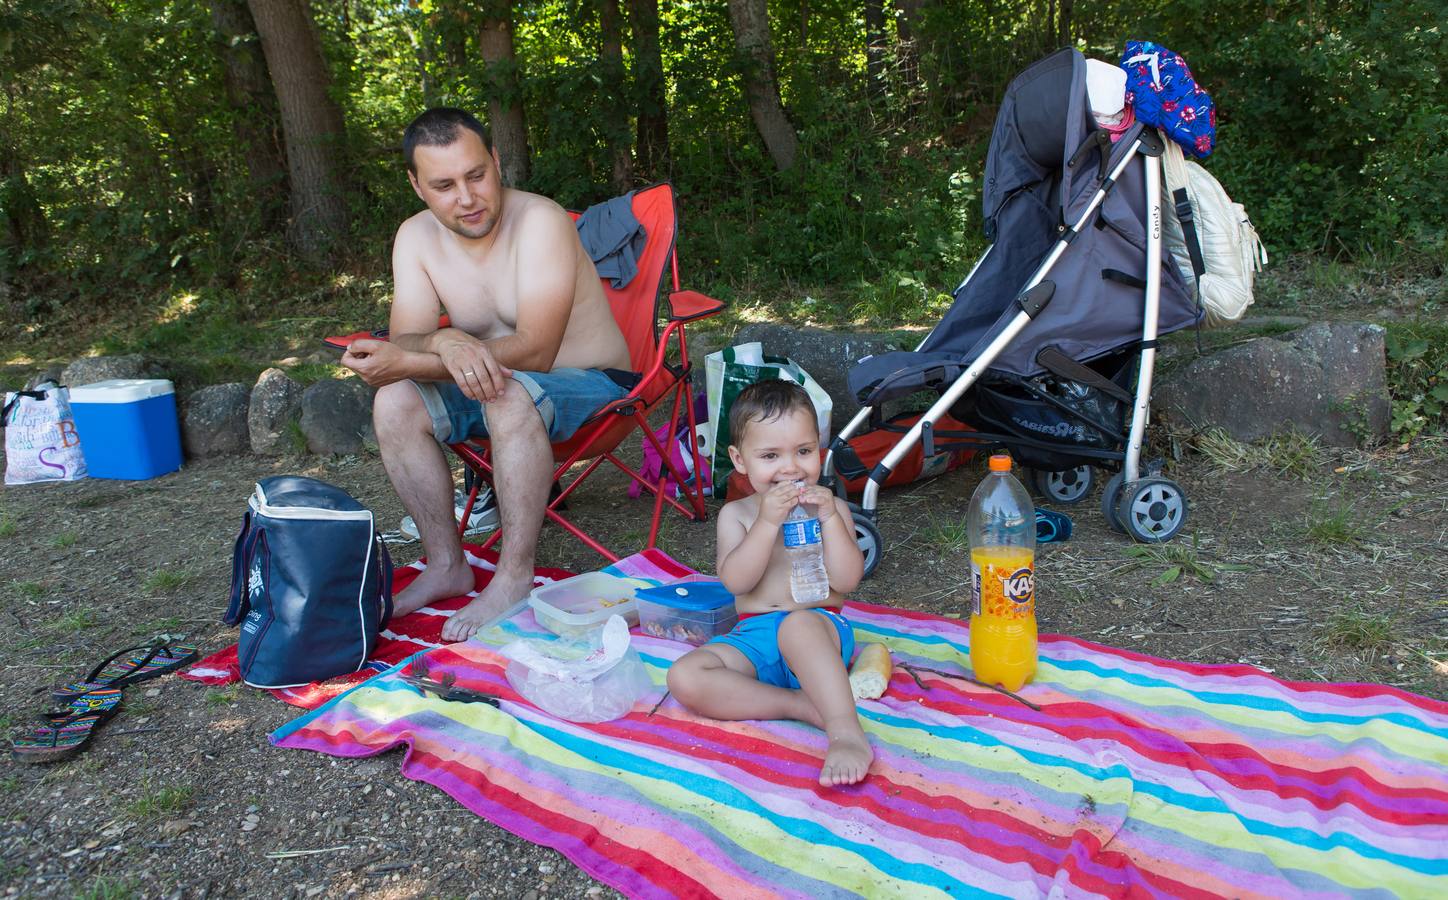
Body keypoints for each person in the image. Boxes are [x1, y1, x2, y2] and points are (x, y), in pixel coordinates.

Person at [341, 108, 632, 642]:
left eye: (476, 175)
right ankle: (445, 564)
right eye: (444, 185)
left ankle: (514, 575)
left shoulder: (540, 220)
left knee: (507, 393)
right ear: (416, 186)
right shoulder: (415, 238)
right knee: (395, 402)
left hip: (594, 384)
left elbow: (537, 352)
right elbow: (406, 337)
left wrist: (419, 357)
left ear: (497, 162)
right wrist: (442, 340)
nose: (467, 198)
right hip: (498, 381)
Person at [666, 381, 872, 786]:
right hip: (755, 638)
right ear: (740, 461)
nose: (791, 468)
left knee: (798, 624)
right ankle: (797, 704)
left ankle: (846, 731)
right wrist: (766, 523)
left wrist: (830, 519)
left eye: (804, 451)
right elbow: (735, 581)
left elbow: (848, 581)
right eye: (770, 456)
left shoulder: (831, 510)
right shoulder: (738, 515)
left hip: (819, 631)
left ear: (820, 450)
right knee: (685, 677)